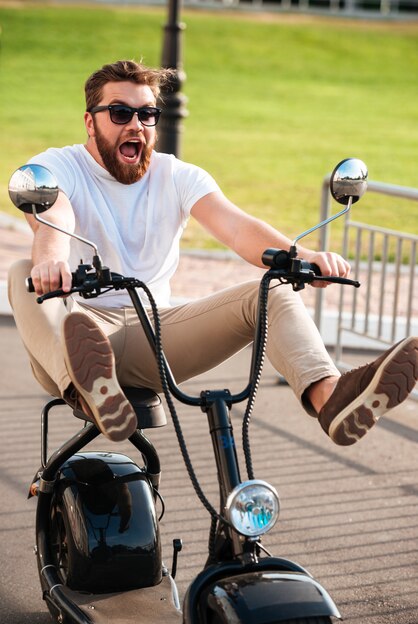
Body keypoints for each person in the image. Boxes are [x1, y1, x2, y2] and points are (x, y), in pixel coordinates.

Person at [8, 60, 418, 445]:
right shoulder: (61, 165)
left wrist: (301, 256)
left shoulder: (176, 175)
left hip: (154, 328)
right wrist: (50, 261)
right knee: (21, 271)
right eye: (120, 113)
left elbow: (237, 227)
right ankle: (89, 389)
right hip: (75, 324)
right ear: (89, 121)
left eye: (147, 115)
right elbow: (53, 214)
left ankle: (331, 400)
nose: (136, 125)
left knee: (272, 292)